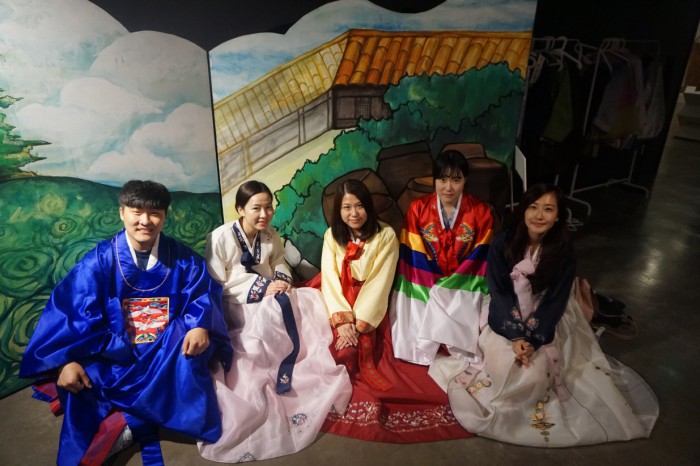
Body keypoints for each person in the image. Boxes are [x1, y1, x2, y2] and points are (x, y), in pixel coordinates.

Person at [19, 180, 233, 466]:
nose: (145, 220)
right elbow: (71, 311)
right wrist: (65, 362)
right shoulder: (100, 260)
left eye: (154, 213)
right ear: (122, 213)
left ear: (165, 217)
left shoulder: (183, 258)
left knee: (189, 353)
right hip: (116, 348)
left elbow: (202, 293)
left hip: (165, 347)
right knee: (81, 379)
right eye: (137, 212)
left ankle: (132, 418)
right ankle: (143, 414)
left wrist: (199, 325)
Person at [437, 184, 658, 446]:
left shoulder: (564, 251)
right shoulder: (502, 242)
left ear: (558, 216)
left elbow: (556, 299)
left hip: (545, 315)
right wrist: (516, 335)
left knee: (535, 371)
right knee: (503, 365)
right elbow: (499, 291)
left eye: (548, 209)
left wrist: (533, 338)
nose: (539, 215)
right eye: (533, 207)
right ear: (523, 210)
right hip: (506, 313)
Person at [199, 180, 351, 463]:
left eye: (268, 207)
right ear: (240, 209)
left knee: (309, 300)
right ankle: (273, 364)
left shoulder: (270, 234)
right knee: (268, 315)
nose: (264, 214)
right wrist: (260, 287)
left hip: (271, 292)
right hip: (235, 302)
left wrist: (280, 280)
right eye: (256, 208)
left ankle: (297, 359)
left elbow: (279, 261)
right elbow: (215, 282)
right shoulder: (219, 237)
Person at [319, 178, 472, 443]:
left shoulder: (386, 234)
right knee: (329, 352)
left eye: (359, 206)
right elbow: (329, 278)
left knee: (352, 352)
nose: (354, 213)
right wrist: (342, 321)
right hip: (337, 302)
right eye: (346, 207)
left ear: (368, 206)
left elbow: (379, 282)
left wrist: (358, 324)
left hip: (370, 305)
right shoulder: (332, 235)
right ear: (338, 210)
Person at [390, 150, 494, 366]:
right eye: (442, 179)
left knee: (464, 307)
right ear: (434, 179)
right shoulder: (418, 209)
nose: (448, 187)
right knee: (413, 318)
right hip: (424, 278)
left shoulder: (481, 212)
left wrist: (451, 284)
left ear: (465, 180)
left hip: (463, 281)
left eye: (456, 180)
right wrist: (434, 283)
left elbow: (479, 258)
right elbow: (413, 254)